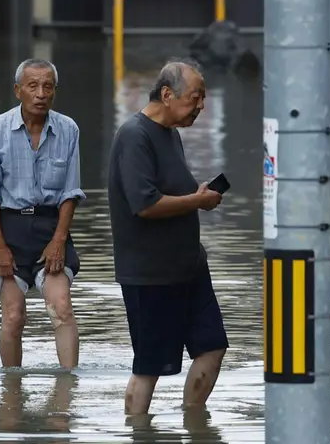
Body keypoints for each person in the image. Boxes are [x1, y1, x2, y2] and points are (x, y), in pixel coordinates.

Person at [108, 58, 227, 415]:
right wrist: (197, 200)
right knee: (149, 368)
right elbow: (145, 204)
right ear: (166, 94)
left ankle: (194, 422)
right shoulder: (134, 135)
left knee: (213, 347)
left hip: (189, 266)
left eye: (203, 98)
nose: (201, 106)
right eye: (195, 97)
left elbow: (175, 191)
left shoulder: (171, 135)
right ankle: (138, 431)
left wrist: (197, 194)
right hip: (150, 273)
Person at [0, 58, 84, 370]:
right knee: (14, 314)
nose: (40, 93)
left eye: (47, 86)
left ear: (55, 91)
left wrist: (59, 240)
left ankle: (67, 393)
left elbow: (70, 193)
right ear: (17, 90)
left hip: (52, 226)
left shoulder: (68, 129)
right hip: (7, 228)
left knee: (61, 307)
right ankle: (12, 395)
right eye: (32, 86)